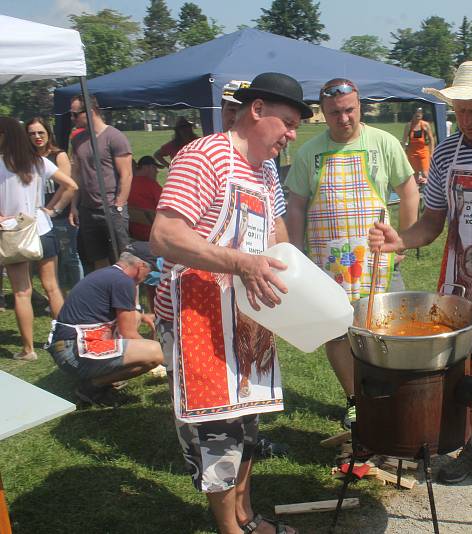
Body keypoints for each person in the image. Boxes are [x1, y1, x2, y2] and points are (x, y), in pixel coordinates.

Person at [367, 60, 472, 511]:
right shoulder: (445, 154)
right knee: (471, 369)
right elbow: (431, 222)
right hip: (463, 284)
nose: (467, 118)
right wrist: (398, 240)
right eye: (460, 109)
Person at [150, 72, 309, 534]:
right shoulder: (205, 157)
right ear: (256, 111)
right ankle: (228, 530)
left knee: (249, 423)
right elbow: (164, 235)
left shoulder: (264, 171)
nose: (292, 134)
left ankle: (246, 514)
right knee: (217, 430)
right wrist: (242, 263)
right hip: (194, 316)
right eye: (288, 122)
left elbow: (277, 231)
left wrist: (298, 281)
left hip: (245, 313)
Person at [285, 78, 419, 429]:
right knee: (336, 333)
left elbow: (408, 191)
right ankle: (355, 399)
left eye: (349, 110)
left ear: (360, 107)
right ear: (322, 113)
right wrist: (296, 253)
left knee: (387, 331)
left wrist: (404, 239)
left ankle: (391, 397)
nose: (343, 119)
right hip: (327, 265)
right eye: (334, 113)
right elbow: (296, 205)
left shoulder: (383, 143)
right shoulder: (308, 153)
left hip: (377, 259)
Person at [0, 116, 78, 361]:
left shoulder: (1, 164)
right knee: (52, 287)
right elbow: (71, 185)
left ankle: (28, 349)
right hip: (42, 227)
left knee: (22, 292)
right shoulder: (38, 161)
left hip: (14, 232)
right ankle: (66, 339)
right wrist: (51, 209)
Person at [46, 241, 163, 403]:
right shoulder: (124, 282)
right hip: (73, 352)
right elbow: (128, 333)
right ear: (141, 266)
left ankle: (104, 376)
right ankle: (93, 386)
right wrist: (166, 363)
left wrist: (141, 317)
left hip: (65, 347)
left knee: (137, 324)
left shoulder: (109, 274)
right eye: (150, 270)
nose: (147, 277)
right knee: (154, 352)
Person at [69, 93, 133, 272]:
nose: (72, 118)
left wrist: (119, 205)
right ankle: (104, 297)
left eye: (75, 114)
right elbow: (77, 175)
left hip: (111, 208)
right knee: (98, 258)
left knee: (123, 260)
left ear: (90, 111)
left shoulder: (114, 137)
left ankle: (129, 299)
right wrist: (74, 205)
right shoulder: (77, 140)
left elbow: (126, 175)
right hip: (88, 210)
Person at [26, 116, 84, 289]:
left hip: (60, 215)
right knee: (39, 258)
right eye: (32, 133)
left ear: (48, 134)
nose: (37, 136)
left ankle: (79, 292)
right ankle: (53, 292)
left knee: (69, 256)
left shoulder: (58, 156)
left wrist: (52, 210)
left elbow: (66, 187)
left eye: (41, 132)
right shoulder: (26, 158)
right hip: (35, 219)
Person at [127, 156, 163, 241]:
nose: (157, 171)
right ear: (147, 168)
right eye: (155, 168)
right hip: (154, 233)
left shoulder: (126, 184)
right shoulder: (151, 185)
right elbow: (168, 207)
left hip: (134, 233)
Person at [403, 107, 435, 185]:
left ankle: (429, 189)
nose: (418, 115)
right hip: (412, 153)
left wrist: (432, 152)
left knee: (425, 173)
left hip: (423, 151)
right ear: (413, 114)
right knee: (415, 173)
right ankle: (417, 191)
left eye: (420, 113)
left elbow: (431, 139)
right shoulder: (409, 126)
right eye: (416, 113)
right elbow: (404, 140)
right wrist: (404, 152)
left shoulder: (425, 125)